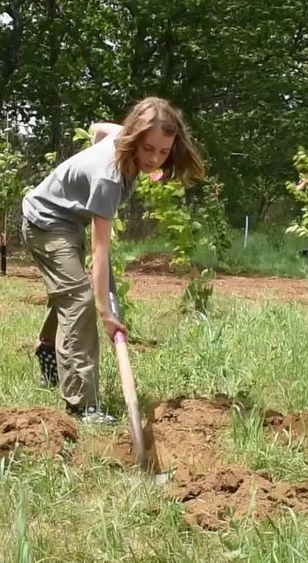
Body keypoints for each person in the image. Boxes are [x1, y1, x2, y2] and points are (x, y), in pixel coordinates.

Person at [21, 97, 206, 423]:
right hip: (45, 224)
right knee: (80, 299)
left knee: (70, 290)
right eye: (148, 149)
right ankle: (82, 405)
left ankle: (48, 348)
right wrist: (106, 312)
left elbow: (98, 129)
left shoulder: (123, 137)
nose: (154, 158)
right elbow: (100, 251)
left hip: (66, 221)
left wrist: (139, 167)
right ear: (135, 138)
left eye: (164, 152)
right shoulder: (107, 178)